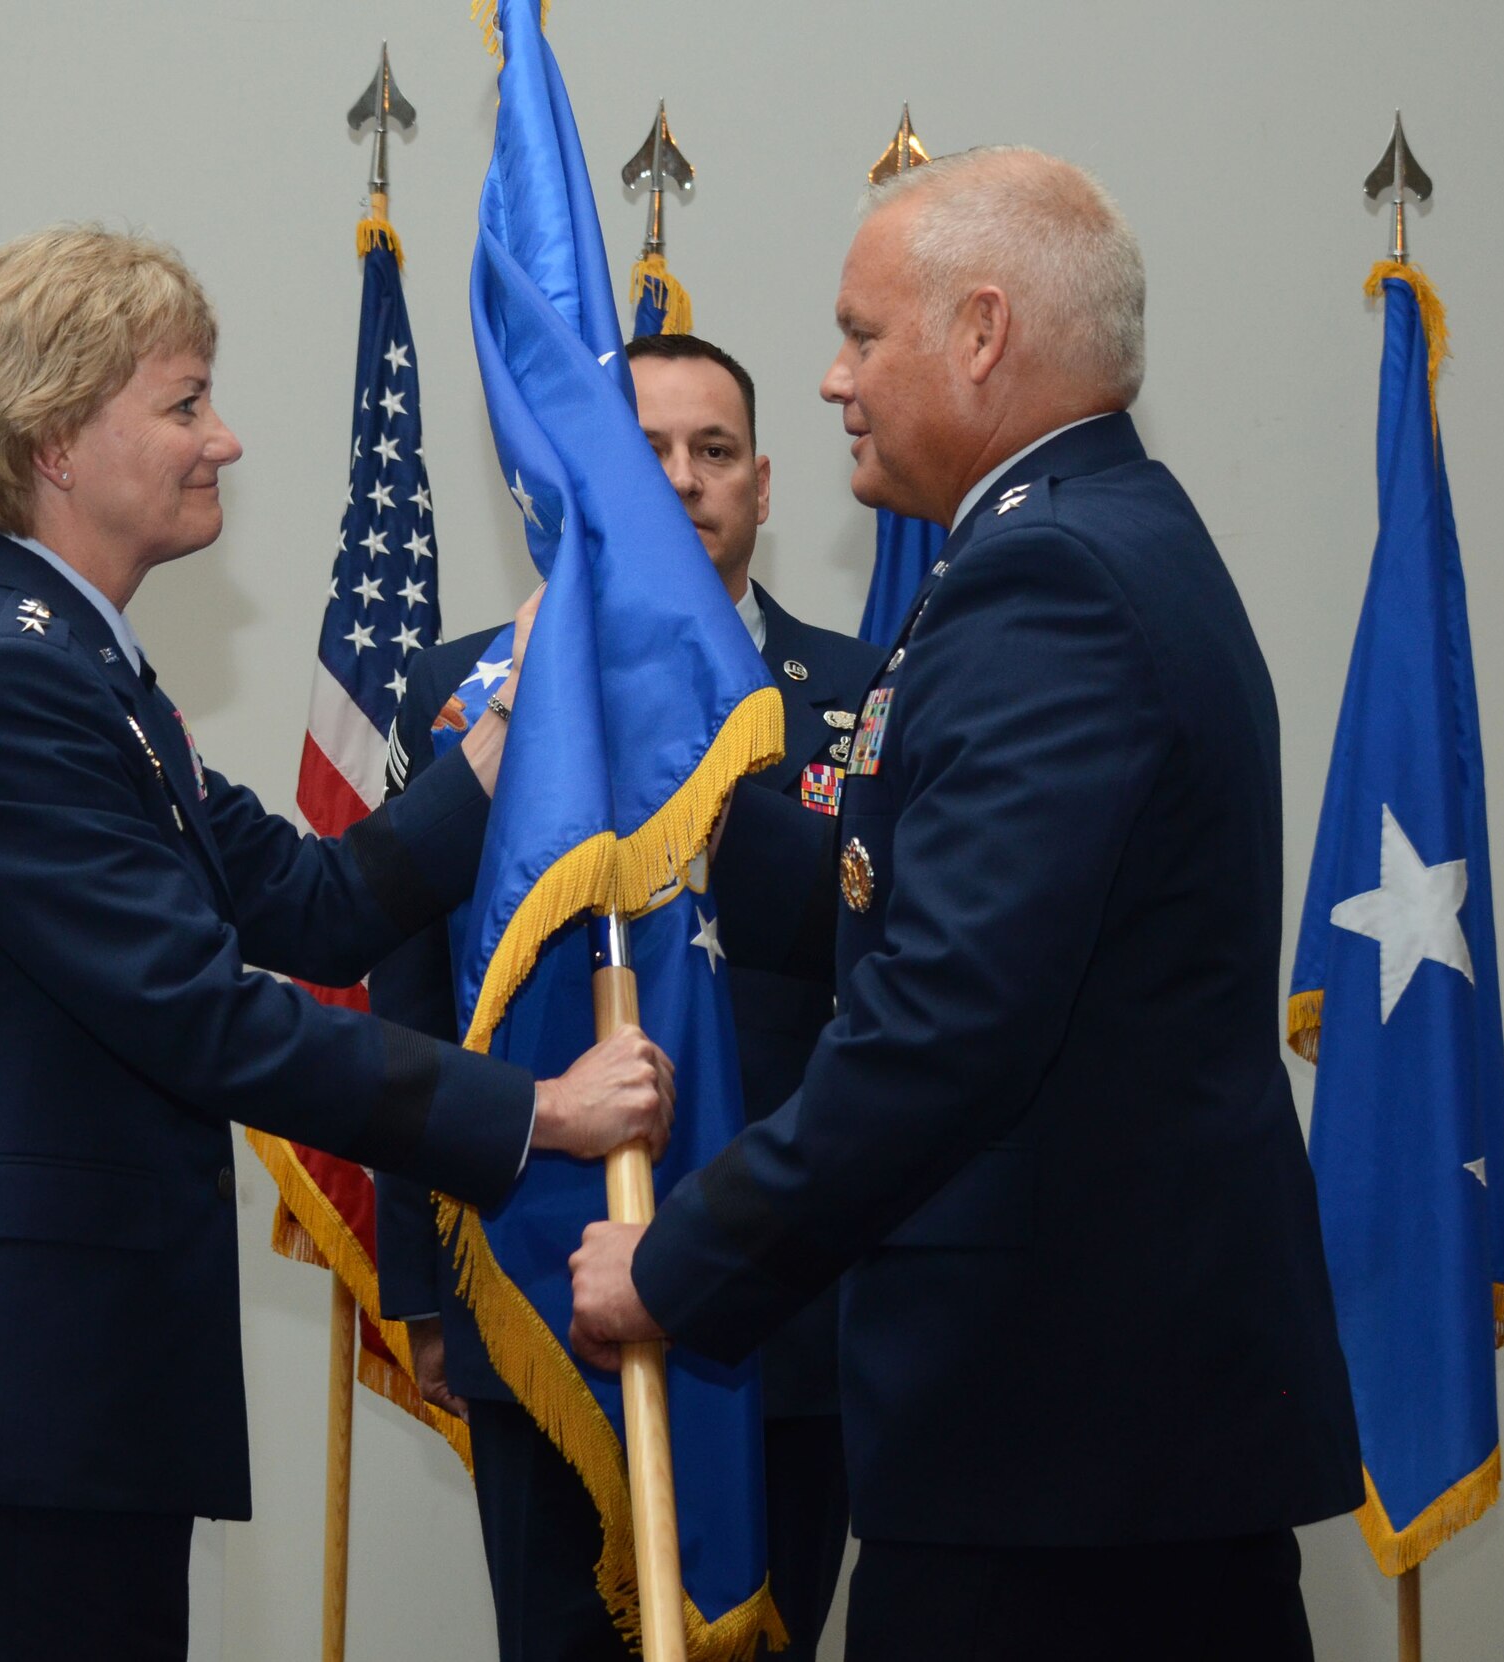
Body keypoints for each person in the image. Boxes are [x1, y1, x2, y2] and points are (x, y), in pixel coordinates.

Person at [0, 225, 674, 1662]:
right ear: (54, 439)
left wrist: (503, 730)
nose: (227, 439)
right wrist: (532, 1113)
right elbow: (206, 1017)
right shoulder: (6, 689)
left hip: (62, 1400)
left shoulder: (82, 668)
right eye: (184, 402)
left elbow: (314, 901)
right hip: (4, 1402)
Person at [569, 149, 1364, 1661]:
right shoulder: (1088, 535)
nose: (831, 377)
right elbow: (886, 903)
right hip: (1099, 1445)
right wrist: (686, 768)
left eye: (865, 334)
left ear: (983, 333)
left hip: (1065, 1452)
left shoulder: (1045, 577)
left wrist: (677, 1264)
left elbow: (945, 1021)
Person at [372, 333, 877, 1661]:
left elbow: (882, 982)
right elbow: (415, 995)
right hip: (538, 1273)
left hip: (787, 1300)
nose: (684, 479)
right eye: (647, 451)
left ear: (765, 485)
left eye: (715, 451)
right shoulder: (470, 691)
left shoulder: (858, 698)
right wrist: (425, 1286)